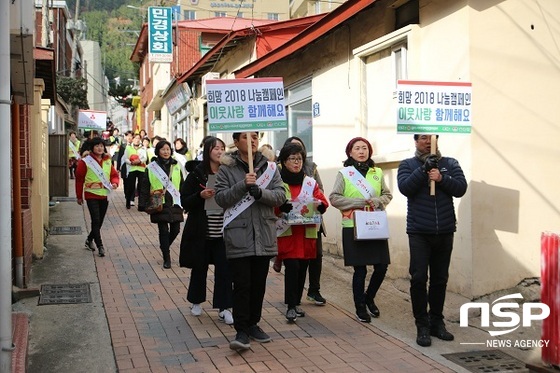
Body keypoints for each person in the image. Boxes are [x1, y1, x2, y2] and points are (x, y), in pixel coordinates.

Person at [214, 132, 285, 352]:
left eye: (255, 136)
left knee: (259, 284)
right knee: (242, 285)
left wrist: (260, 192)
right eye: (246, 137)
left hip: (263, 233)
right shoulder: (226, 168)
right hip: (239, 234)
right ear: (236, 142)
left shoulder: (270, 168)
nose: (252, 140)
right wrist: (242, 186)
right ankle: (241, 330)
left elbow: (281, 196)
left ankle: (254, 323)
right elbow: (220, 198)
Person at [397, 134, 467, 347]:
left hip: (445, 230)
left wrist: (441, 178)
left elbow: (461, 188)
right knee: (418, 278)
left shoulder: (450, 163)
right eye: (424, 138)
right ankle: (422, 325)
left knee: (440, 279)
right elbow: (405, 188)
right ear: (416, 141)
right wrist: (423, 170)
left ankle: (437, 321)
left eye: (432, 138)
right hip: (419, 231)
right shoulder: (407, 165)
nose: (428, 142)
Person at [329, 137, 393, 323]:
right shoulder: (345, 173)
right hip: (353, 226)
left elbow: (387, 195)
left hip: (374, 224)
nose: (361, 151)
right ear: (350, 152)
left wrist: (378, 201)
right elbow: (334, 198)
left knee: (381, 266)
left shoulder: (377, 172)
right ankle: (360, 307)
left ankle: (369, 297)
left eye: (364, 148)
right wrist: (359, 202)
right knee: (360, 270)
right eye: (357, 148)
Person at [179, 136, 234, 325]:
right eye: (215, 148)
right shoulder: (196, 174)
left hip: (223, 230)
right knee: (199, 268)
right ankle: (196, 301)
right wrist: (199, 195)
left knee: (225, 270)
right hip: (201, 229)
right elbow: (184, 200)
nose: (219, 151)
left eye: (222, 148)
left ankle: (224, 307)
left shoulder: (229, 172)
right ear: (207, 151)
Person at [275, 143, 329, 322]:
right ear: (284, 161)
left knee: (302, 268)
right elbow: (271, 205)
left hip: (306, 233)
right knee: (292, 267)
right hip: (288, 232)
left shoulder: (310, 182)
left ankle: (296, 302)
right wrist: (281, 207)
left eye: (299, 159)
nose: (296, 162)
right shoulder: (278, 182)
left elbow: (322, 200)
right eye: (292, 158)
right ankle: (290, 306)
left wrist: (320, 206)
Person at [138, 140, 185, 269]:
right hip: (159, 202)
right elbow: (144, 186)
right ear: (158, 151)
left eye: (168, 149)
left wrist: (185, 200)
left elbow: (182, 184)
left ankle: (164, 246)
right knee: (163, 231)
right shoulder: (151, 167)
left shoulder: (176, 166)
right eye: (163, 149)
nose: (166, 152)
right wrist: (142, 204)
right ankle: (166, 257)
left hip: (175, 202)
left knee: (175, 230)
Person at [75, 137, 119, 257]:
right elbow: (79, 180)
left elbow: (114, 174)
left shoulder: (107, 160)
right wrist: (79, 196)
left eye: (101, 146)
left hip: (104, 195)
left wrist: (115, 182)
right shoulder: (85, 161)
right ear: (92, 148)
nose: (100, 148)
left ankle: (89, 239)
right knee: (95, 219)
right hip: (91, 194)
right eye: (97, 146)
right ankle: (100, 245)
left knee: (100, 221)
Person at [123, 133, 147, 209]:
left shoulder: (143, 148)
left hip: (141, 169)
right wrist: (131, 163)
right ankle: (128, 201)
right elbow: (125, 158)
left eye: (138, 138)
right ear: (133, 139)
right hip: (132, 169)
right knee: (130, 186)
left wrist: (139, 161)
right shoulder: (128, 148)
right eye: (135, 138)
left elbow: (145, 158)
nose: (137, 140)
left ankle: (141, 204)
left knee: (141, 187)